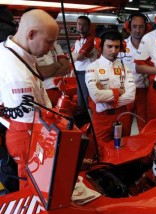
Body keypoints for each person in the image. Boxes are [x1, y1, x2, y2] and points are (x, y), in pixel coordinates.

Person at [0, 9, 59, 190]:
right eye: (49, 42)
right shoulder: (18, 75)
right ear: (31, 34)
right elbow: (29, 132)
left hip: (12, 129)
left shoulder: (9, 49)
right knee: (30, 189)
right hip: (25, 141)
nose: (51, 48)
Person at [85, 30, 135, 142]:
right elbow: (96, 96)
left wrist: (106, 100)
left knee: (124, 148)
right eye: (109, 46)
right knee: (100, 151)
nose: (113, 51)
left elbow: (131, 96)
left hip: (122, 115)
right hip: (101, 117)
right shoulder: (92, 67)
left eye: (117, 47)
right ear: (100, 46)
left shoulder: (125, 68)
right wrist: (119, 92)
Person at [120, 12, 149, 131]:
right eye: (134, 26)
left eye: (141, 27)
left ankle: (144, 148)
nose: (137, 30)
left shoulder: (151, 45)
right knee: (124, 125)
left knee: (145, 125)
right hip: (126, 91)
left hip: (145, 92)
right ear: (128, 27)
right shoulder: (121, 46)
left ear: (146, 28)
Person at [72, 15, 97, 109]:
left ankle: (89, 120)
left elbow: (78, 56)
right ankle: (84, 120)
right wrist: (76, 56)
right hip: (79, 72)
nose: (81, 27)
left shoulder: (90, 40)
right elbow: (70, 56)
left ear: (89, 26)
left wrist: (77, 55)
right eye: (79, 24)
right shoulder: (78, 40)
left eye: (84, 25)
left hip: (87, 73)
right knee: (80, 99)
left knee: (86, 99)